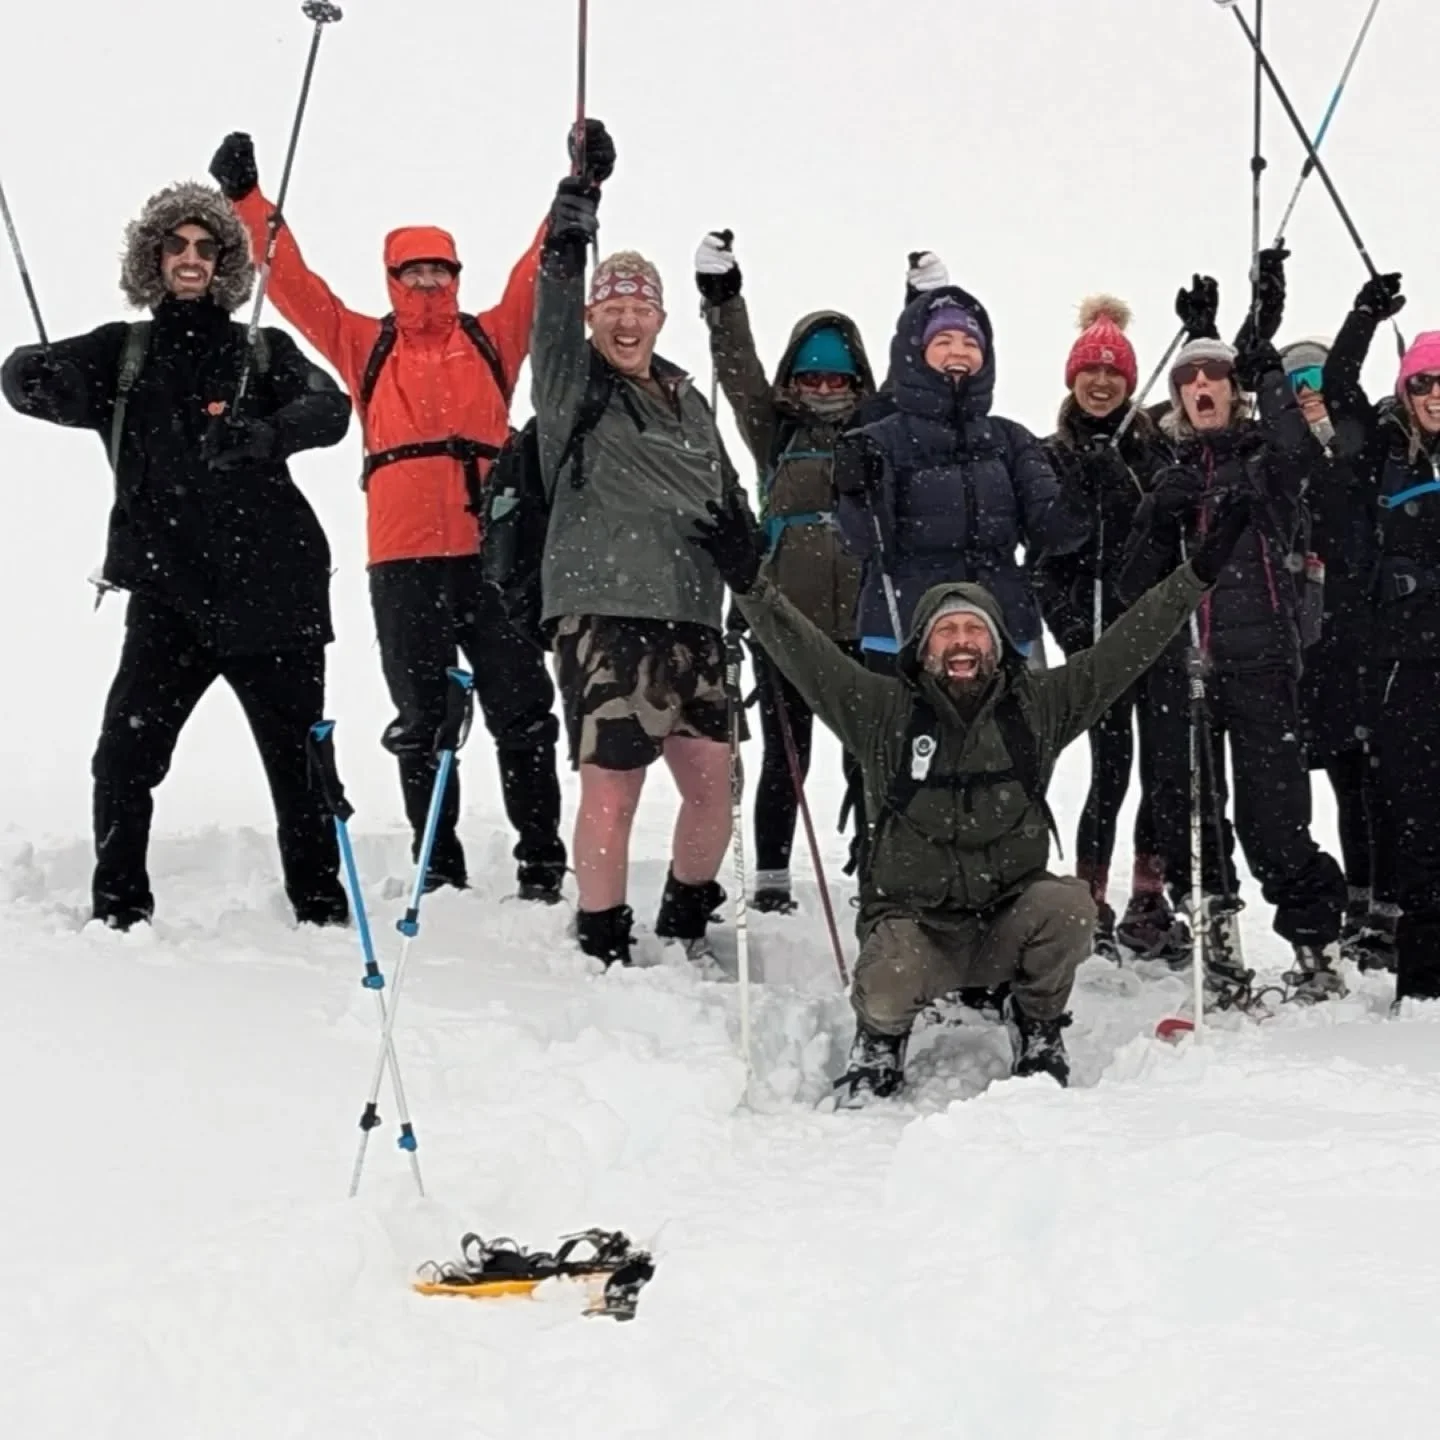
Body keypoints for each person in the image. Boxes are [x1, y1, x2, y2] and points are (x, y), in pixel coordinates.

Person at [692, 486, 1249, 1105]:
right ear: (924, 648)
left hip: (1006, 922)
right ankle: (880, 1037)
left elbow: (1127, 646)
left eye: (974, 631)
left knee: (1070, 909)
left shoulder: (1038, 706)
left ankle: (1037, 1022)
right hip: (917, 928)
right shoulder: (880, 710)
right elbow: (804, 653)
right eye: (947, 630)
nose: (961, 642)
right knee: (889, 975)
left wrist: (1197, 573)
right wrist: (750, 583)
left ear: (996, 645)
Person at [206, 127, 613, 901]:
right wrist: (245, 202)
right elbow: (294, 283)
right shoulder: (365, 344)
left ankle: (540, 861)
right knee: (421, 721)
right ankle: (440, 867)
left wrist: (580, 184)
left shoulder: (493, 337)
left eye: (440, 269)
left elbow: (540, 266)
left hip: (494, 556)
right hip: (401, 561)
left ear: (457, 274)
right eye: (414, 270)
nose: (428, 281)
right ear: (393, 276)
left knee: (523, 711)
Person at [1, 180, 351, 930]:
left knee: (298, 766)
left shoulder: (262, 347)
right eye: (176, 245)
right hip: (169, 597)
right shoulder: (119, 352)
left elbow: (332, 407)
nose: (190, 259)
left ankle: (321, 910)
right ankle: (119, 912)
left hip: (275, 594)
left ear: (225, 263)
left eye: (206, 247)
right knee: (123, 760)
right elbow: (24, 377)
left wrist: (266, 435)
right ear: (152, 257)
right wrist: (30, 372)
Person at [530, 175, 743, 967]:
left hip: (694, 613)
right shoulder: (572, 383)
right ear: (595, 316)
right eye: (612, 305)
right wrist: (568, 235)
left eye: (640, 306)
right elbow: (549, 318)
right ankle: (602, 939)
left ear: (659, 314)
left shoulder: (689, 400)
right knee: (614, 788)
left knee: (714, 784)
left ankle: (686, 921)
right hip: (604, 607)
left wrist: (746, 551)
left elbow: (726, 491)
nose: (627, 318)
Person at [1119, 317, 1348, 1003]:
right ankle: (1216, 938)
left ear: (1234, 389)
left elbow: (1300, 451)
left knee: (1274, 821)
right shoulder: (1171, 474)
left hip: (1262, 663)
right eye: (1186, 380)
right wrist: (1156, 516)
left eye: (1212, 376)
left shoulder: (1267, 459)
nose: (1198, 388)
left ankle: (1315, 946)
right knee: (1190, 810)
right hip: (1184, 668)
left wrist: (1267, 369)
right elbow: (1135, 587)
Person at [695, 229, 877, 914]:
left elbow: (925, 383)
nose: (824, 389)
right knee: (786, 757)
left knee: (868, 755)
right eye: (811, 377)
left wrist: (927, 307)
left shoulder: (880, 433)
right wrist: (723, 298)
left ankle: (877, 871)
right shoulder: (778, 432)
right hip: (787, 624)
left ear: (858, 380)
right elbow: (738, 368)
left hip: (866, 622)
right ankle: (772, 880)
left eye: (837, 378)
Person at [1036, 295, 1189, 962]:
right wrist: (1070, 629)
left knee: (1162, 769)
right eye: (1090, 372)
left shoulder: (1152, 450)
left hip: (1152, 632)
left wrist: (1124, 488)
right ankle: (1087, 897)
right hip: (1095, 638)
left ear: (1130, 382)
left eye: (1115, 374)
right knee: (1110, 769)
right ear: (1072, 380)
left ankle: (1148, 896)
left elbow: (1164, 533)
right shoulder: (1051, 454)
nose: (1101, 384)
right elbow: (1045, 556)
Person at [834, 284, 1088, 674]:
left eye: (971, 342)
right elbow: (865, 540)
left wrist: (1079, 494)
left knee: (1008, 737)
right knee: (898, 736)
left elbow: (1052, 533)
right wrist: (855, 492)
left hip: (1001, 626)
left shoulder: (1010, 439)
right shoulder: (878, 440)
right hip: (904, 627)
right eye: (944, 340)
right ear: (917, 354)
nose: (958, 351)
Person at [1321, 272, 1440, 1003]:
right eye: (1424, 380)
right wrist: (1364, 317)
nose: (1436, 393)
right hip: (1403, 669)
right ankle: (1424, 981)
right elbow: (1337, 387)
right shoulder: (1382, 455)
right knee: (1415, 821)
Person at [1279, 336, 1393, 972]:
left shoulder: (1365, 442)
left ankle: (1377, 899)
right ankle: (1339, 904)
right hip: (1308, 642)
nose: (1309, 390)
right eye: (1297, 383)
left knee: (1371, 782)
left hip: (1367, 637)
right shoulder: (1287, 456)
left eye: (1317, 376)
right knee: (1325, 782)